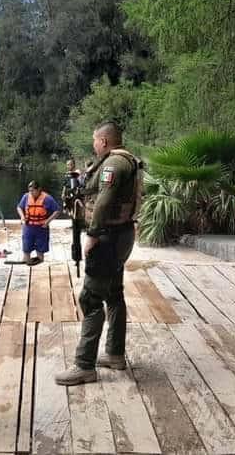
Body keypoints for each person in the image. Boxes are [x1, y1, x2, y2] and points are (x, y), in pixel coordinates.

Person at [55, 121, 142, 386]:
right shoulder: (120, 162)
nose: (94, 145)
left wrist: (92, 234)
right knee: (114, 293)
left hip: (108, 237)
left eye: (95, 141)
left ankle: (84, 366)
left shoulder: (114, 164)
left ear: (103, 141)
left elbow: (104, 200)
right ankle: (115, 354)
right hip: (121, 234)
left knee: (91, 298)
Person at [17, 180, 61, 265]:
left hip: (41, 227)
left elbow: (57, 210)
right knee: (26, 245)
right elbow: (19, 207)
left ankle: (39, 260)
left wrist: (48, 221)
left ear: (39, 189)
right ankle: (26, 259)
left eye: (33, 190)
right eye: (30, 191)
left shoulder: (47, 198)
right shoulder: (26, 197)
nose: (31, 193)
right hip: (28, 226)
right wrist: (22, 217)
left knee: (41, 249)